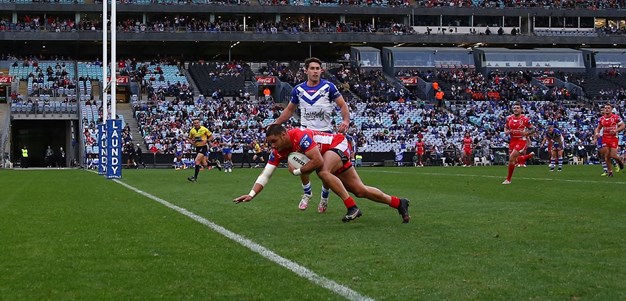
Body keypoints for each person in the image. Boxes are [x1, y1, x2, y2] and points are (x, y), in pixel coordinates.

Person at [233, 124, 410, 223]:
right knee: (360, 190)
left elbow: (317, 162)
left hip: (338, 144)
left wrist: (297, 171)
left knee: (323, 171)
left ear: (284, 135)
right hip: (330, 153)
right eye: (270, 143)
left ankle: (352, 207)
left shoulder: (299, 136)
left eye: (274, 141)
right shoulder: (278, 151)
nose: (272, 146)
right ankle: (398, 202)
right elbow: (266, 174)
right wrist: (251, 194)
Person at [273, 57, 351, 213]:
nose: (316, 71)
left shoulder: (329, 87)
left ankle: (324, 197)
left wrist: (346, 120)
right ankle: (307, 193)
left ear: (321, 70)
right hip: (306, 134)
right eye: (313, 68)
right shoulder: (298, 90)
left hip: (326, 134)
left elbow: (342, 104)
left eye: (318, 68)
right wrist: (275, 125)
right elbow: (289, 110)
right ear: (306, 70)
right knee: (299, 163)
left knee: (325, 171)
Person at [502, 102, 535, 184]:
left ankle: (508, 179)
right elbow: (506, 127)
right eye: (514, 108)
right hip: (512, 140)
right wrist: (506, 131)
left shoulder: (525, 119)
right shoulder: (509, 118)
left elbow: (533, 129)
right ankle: (529, 156)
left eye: (517, 108)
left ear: (521, 109)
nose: (515, 109)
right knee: (513, 160)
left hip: (521, 140)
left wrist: (526, 133)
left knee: (512, 157)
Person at [594, 103, 625, 177]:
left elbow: (623, 125)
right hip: (605, 138)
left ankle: (620, 160)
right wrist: (597, 133)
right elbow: (598, 127)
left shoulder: (616, 117)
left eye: (608, 108)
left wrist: (616, 130)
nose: (607, 109)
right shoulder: (601, 119)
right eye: (605, 108)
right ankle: (610, 172)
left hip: (613, 138)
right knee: (607, 156)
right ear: (604, 110)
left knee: (613, 155)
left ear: (611, 109)